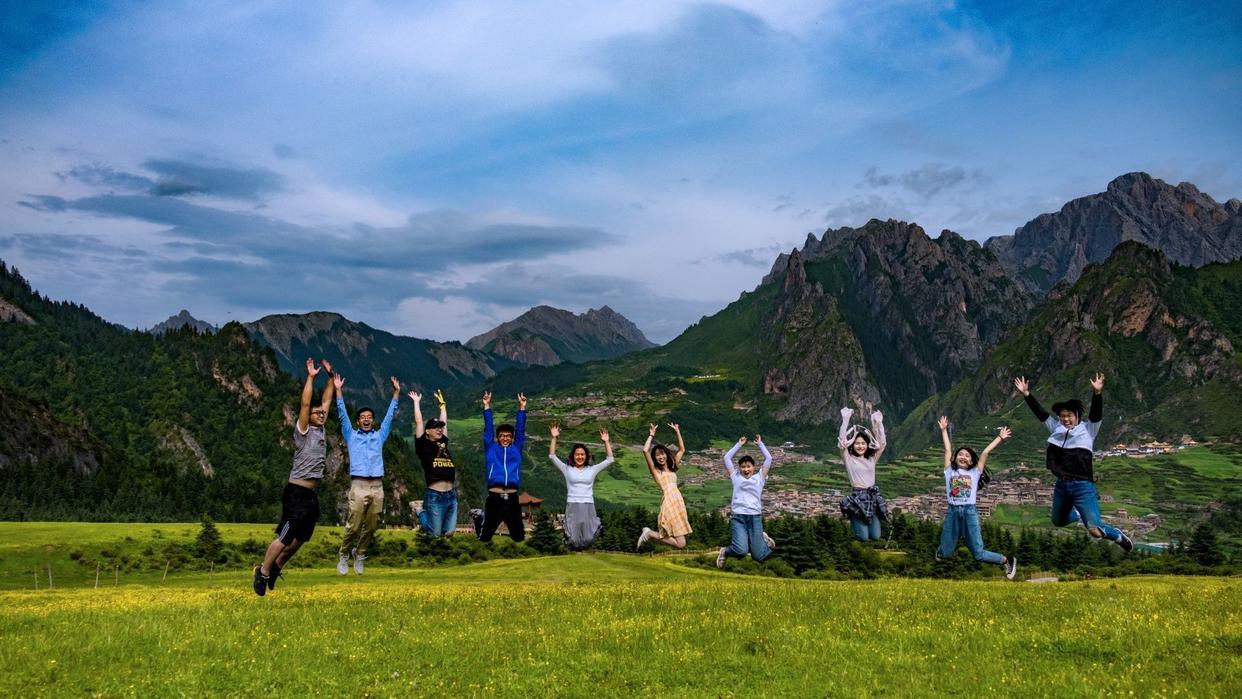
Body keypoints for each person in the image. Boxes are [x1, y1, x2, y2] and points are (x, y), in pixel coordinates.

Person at [1013, 373, 1134, 551]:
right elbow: (1040, 413)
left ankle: (1117, 536)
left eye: (1069, 415)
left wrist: (1097, 394)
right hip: (1062, 485)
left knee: (1095, 530)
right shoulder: (1056, 428)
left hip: (1082, 486)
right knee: (1058, 521)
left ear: (1077, 416)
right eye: (1062, 416)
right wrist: (1026, 394)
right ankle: (1076, 514)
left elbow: (1096, 414)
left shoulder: (1088, 430)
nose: (1066, 419)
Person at [253, 358, 334, 596]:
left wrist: (330, 378)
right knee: (286, 537)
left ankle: (277, 566)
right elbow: (306, 404)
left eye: (322, 413)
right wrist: (311, 377)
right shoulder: (303, 432)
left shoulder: (321, 429)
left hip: (310, 495)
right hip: (296, 493)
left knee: (301, 539)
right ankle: (263, 571)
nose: (320, 414)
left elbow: (327, 400)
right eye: (316, 413)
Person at [935, 416, 1019, 579]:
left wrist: (999, 438)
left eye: (967, 456)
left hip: (969, 513)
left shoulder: (975, 473)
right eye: (961, 454)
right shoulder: (949, 472)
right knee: (945, 553)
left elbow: (985, 452)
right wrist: (944, 430)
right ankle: (941, 550)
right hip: (952, 512)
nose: (963, 457)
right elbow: (947, 450)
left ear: (972, 461)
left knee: (978, 554)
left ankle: (1006, 560)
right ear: (955, 458)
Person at [334, 373, 400, 575]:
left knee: (371, 526)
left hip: (377, 486)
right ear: (357, 421)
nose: (366, 419)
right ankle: (344, 554)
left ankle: (359, 553)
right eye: (362, 417)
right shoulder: (351, 435)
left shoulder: (379, 436)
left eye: (369, 417)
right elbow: (342, 414)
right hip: (359, 485)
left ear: (372, 421)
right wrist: (338, 390)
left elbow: (390, 417)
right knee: (353, 525)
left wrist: (396, 393)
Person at [473, 391, 529, 543]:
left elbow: (520, 430)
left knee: (518, 537)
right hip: (494, 496)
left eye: (508, 436)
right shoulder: (491, 448)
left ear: (512, 438)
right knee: (484, 538)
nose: (505, 438)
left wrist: (522, 408)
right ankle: (479, 518)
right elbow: (488, 429)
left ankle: (484, 518)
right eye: (502, 436)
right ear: (497, 438)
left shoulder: (516, 448)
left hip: (512, 497)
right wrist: (486, 406)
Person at [548, 422, 615, 550]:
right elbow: (552, 456)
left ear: (586, 456)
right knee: (572, 539)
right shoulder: (567, 469)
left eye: (582, 454)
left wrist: (606, 441)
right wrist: (554, 437)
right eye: (577, 454)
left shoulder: (592, 469)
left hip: (588, 504)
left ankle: (597, 526)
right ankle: (571, 548)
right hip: (572, 504)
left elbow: (610, 459)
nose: (580, 457)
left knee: (589, 538)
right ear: (573, 456)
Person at [716, 435, 777, 568]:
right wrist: (739, 444)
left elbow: (769, 459)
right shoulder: (735, 477)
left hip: (754, 517)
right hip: (738, 517)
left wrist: (760, 444)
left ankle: (761, 539)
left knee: (759, 556)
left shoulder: (760, 477)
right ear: (739, 468)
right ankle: (724, 551)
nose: (746, 469)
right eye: (743, 467)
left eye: (748, 466)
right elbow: (727, 458)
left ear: (754, 467)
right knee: (740, 551)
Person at [837, 405, 889, 541]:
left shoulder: (871, 458)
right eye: (857, 443)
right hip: (858, 497)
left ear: (867, 444)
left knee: (876, 536)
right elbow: (842, 442)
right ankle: (853, 514)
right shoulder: (848, 458)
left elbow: (882, 444)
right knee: (863, 537)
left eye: (863, 443)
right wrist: (845, 420)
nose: (860, 446)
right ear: (852, 445)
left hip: (872, 497)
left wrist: (878, 423)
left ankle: (861, 518)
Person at [636, 423, 692, 550]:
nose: (661, 457)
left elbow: (682, 450)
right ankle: (649, 533)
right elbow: (645, 450)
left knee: (682, 544)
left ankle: (649, 533)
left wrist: (677, 431)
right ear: (655, 458)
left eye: (662, 454)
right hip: (668, 503)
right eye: (657, 455)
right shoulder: (657, 472)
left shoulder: (672, 468)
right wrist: (651, 435)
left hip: (678, 503)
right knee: (678, 541)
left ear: (666, 454)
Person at [411, 389, 457, 537]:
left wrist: (442, 406)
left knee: (449, 532)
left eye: (440, 427)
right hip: (434, 495)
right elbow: (418, 422)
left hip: (451, 494)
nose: (440, 429)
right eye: (436, 427)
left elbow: (445, 423)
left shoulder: (443, 442)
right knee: (435, 534)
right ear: (427, 431)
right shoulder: (422, 446)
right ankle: (420, 511)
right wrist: (416, 402)